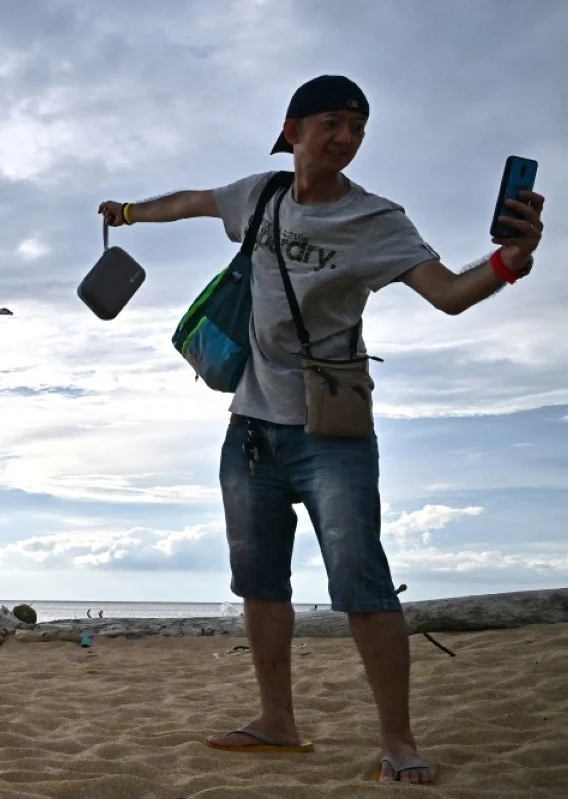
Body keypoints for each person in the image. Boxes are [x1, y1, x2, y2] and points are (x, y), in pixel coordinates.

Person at [98, 75, 544, 785]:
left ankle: (398, 740)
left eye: (359, 127)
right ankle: (278, 722)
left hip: (330, 435)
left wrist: (507, 263)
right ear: (293, 128)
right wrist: (125, 211)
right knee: (260, 583)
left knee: (362, 581)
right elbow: (191, 201)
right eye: (333, 123)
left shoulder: (376, 221)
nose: (347, 138)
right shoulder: (262, 194)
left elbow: (450, 295)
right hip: (249, 430)